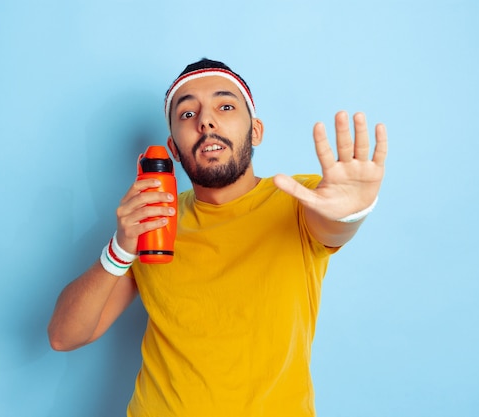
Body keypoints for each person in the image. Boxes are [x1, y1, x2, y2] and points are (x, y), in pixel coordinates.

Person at [47, 58, 387, 416]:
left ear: (255, 130)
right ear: (174, 149)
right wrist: (120, 248)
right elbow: (63, 336)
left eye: (225, 106)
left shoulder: (299, 199)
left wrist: (352, 211)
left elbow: (333, 224)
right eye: (187, 114)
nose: (205, 120)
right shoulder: (155, 219)